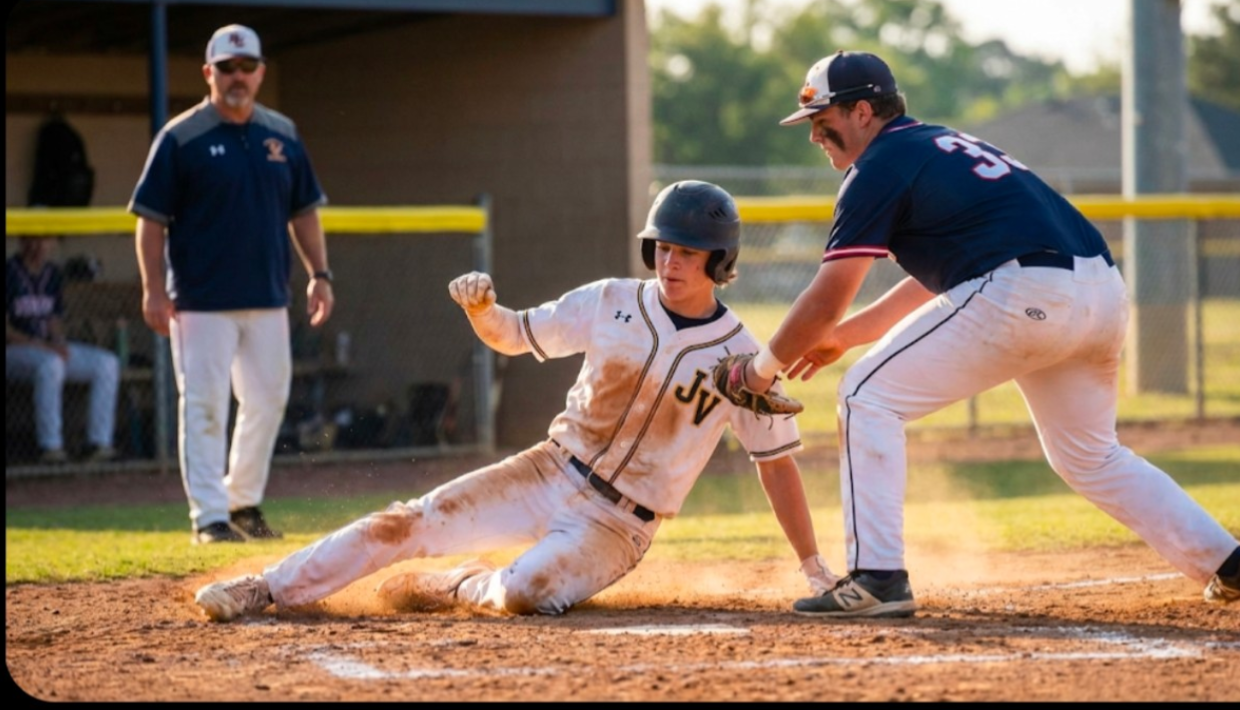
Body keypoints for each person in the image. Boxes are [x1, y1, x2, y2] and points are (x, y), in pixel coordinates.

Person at [733, 51, 1240, 617]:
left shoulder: (878, 165)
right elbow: (937, 282)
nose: (814, 135)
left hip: (1023, 291)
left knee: (866, 395)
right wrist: (846, 337)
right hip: (1099, 292)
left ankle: (878, 578)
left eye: (823, 120)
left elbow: (828, 294)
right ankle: (1234, 566)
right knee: (1090, 456)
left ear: (864, 111)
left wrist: (758, 371)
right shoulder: (937, 145)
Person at [193, 180, 841, 622]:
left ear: (719, 260)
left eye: (688, 252)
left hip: (618, 525)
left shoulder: (744, 360)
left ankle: (460, 583)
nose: (670, 262)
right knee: (405, 521)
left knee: (526, 594)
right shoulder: (612, 299)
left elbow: (776, 463)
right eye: (663, 247)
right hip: (547, 469)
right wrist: (481, 309)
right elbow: (510, 333)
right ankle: (266, 588)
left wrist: (812, 567)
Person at [128, 24, 334, 545]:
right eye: (227, 67)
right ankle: (209, 518)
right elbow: (150, 220)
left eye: (247, 67)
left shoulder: (282, 132)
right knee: (204, 405)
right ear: (208, 73)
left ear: (261, 71)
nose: (237, 76)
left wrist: (320, 274)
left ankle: (242, 503)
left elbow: (304, 211)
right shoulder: (180, 137)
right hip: (199, 301)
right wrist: (153, 288)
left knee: (267, 401)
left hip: (267, 297)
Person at [5, 236, 120, 464]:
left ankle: (98, 443)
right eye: (33, 240)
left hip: (46, 350)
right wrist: (42, 346)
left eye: (44, 240)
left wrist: (58, 341)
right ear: (21, 241)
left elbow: (54, 318)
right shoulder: (8, 272)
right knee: (51, 365)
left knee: (107, 364)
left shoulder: (53, 273)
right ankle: (51, 447)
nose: (38, 247)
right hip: (15, 351)